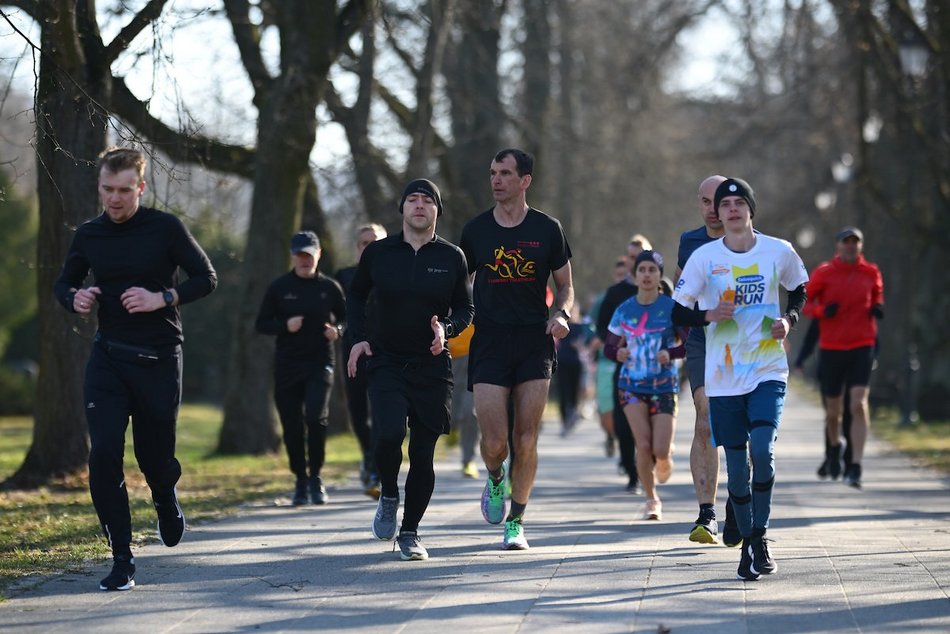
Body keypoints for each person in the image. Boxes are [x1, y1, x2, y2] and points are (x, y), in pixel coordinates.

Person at [53, 147, 217, 591]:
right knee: (104, 453)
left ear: (140, 188)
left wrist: (162, 298)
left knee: (154, 458)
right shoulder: (89, 234)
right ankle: (122, 560)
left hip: (160, 358)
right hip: (109, 357)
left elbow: (206, 277)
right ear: (100, 187)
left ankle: (165, 496)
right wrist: (77, 299)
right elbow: (65, 283)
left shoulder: (165, 228)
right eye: (108, 189)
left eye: (125, 190)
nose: (115, 199)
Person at [672, 177, 808, 581]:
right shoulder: (704, 258)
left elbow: (799, 288)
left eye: (738, 203)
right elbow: (678, 311)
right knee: (736, 465)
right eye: (723, 203)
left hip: (767, 367)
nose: (730, 209)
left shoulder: (777, 251)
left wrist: (788, 318)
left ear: (750, 210)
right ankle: (749, 541)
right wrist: (707, 316)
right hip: (725, 374)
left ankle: (759, 534)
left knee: (762, 452)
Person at [347, 178, 473, 561]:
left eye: (427, 201)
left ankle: (411, 532)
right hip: (385, 360)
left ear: (437, 211)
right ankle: (388, 492)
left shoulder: (452, 256)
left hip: (433, 366)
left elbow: (465, 310)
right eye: (412, 200)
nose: (419, 206)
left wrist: (445, 330)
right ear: (402, 209)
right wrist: (358, 337)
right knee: (387, 435)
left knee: (423, 453)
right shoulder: (379, 253)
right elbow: (355, 296)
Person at [460, 148, 574, 550]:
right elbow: (458, 285)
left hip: (533, 340)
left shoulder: (547, 229)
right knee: (495, 442)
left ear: (524, 180)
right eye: (492, 172)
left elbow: (565, 285)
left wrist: (561, 314)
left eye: (505, 173)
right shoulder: (475, 231)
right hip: (489, 340)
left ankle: (517, 521)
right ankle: (495, 480)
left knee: (526, 436)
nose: (496, 180)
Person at [256, 231, 346, 506]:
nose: (305, 259)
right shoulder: (279, 287)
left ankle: (316, 477)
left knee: (315, 419)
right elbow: (261, 323)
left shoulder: (330, 288)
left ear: (319, 255)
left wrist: (338, 331)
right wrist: (285, 325)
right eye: (300, 255)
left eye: (309, 254)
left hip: (320, 362)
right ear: (293, 256)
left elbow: (347, 318)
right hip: (288, 365)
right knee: (292, 424)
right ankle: (300, 480)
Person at [674, 174, 739, 546]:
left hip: (741, 344)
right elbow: (682, 293)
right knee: (705, 417)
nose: (712, 209)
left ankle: (739, 502)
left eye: (719, 200)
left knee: (738, 426)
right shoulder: (689, 241)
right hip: (702, 338)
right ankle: (706, 513)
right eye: (705, 201)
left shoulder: (751, 242)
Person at [604, 250, 683, 520]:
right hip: (631, 385)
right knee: (644, 444)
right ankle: (652, 500)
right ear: (635, 275)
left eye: (652, 270)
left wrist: (670, 354)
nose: (647, 275)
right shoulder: (625, 309)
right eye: (642, 270)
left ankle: (665, 458)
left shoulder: (672, 308)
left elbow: (687, 345)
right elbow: (609, 347)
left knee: (660, 450)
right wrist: (619, 354)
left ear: (660, 275)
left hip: (663, 384)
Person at [803, 226, 883, 489]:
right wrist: (824, 310)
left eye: (855, 242)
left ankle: (857, 465)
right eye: (846, 242)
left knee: (858, 405)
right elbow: (805, 305)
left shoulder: (871, 272)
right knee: (833, 412)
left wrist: (877, 307)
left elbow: (877, 294)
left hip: (862, 344)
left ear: (861, 246)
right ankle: (835, 448)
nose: (850, 246)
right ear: (838, 246)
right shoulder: (824, 272)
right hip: (832, 347)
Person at [596, 234, 653, 494]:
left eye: (642, 255)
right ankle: (633, 473)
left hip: (657, 370)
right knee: (624, 423)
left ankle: (649, 465)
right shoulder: (616, 293)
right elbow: (602, 328)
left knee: (654, 424)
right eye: (632, 257)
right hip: (626, 368)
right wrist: (615, 348)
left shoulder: (663, 288)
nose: (636, 262)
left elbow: (677, 324)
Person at [335, 223, 387, 498]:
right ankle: (368, 452)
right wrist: (338, 329)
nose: (370, 247)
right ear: (357, 248)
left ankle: (377, 466)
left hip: (386, 351)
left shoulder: (393, 275)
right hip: (352, 350)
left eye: (375, 242)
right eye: (364, 243)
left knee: (381, 408)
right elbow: (333, 313)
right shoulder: (344, 276)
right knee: (357, 410)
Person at [589, 257, 630, 457]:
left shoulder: (640, 296)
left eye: (626, 275)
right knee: (607, 411)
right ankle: (611, 436)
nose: (623, 279)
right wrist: (597, 339)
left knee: (628, 410)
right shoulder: (605, 298)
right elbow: (591, 325)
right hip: (606, 361)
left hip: (631, 362)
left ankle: (627, 450)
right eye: (619, 275)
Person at [448, 324, 480, 478]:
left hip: (476, 357)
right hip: (447, 358)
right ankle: (452, 427)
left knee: (469, 412)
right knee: (450, 412)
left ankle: (468, 460)